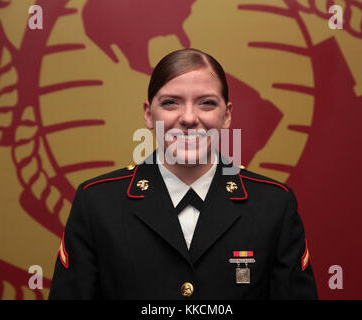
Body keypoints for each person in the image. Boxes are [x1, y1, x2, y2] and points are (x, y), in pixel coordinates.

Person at [49, 48, 318, 299]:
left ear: (227, 116)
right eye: (170, 103)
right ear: (148, 114)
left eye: (207, 103)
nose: (189, 118)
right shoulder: (97, 203)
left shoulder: (273, 205)